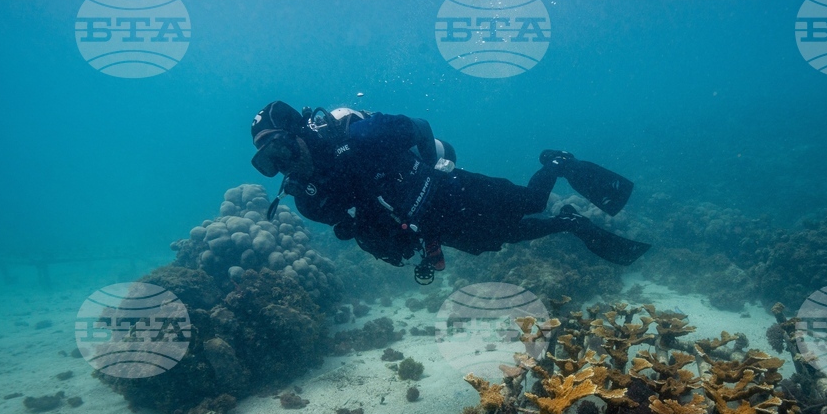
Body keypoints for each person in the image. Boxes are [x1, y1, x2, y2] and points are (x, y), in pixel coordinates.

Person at [250, 101, 650, 284]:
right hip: (432, 227)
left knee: (532, 202)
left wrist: (433, 171)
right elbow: (353, 223)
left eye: (279, 148)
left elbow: (420, 128)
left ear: (297, 133)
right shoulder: (308, 198)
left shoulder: (356, 136)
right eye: (267, 161)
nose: (280, 164)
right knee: (503, 237)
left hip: (451, 188)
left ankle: (556, 163)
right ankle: (569, 222)